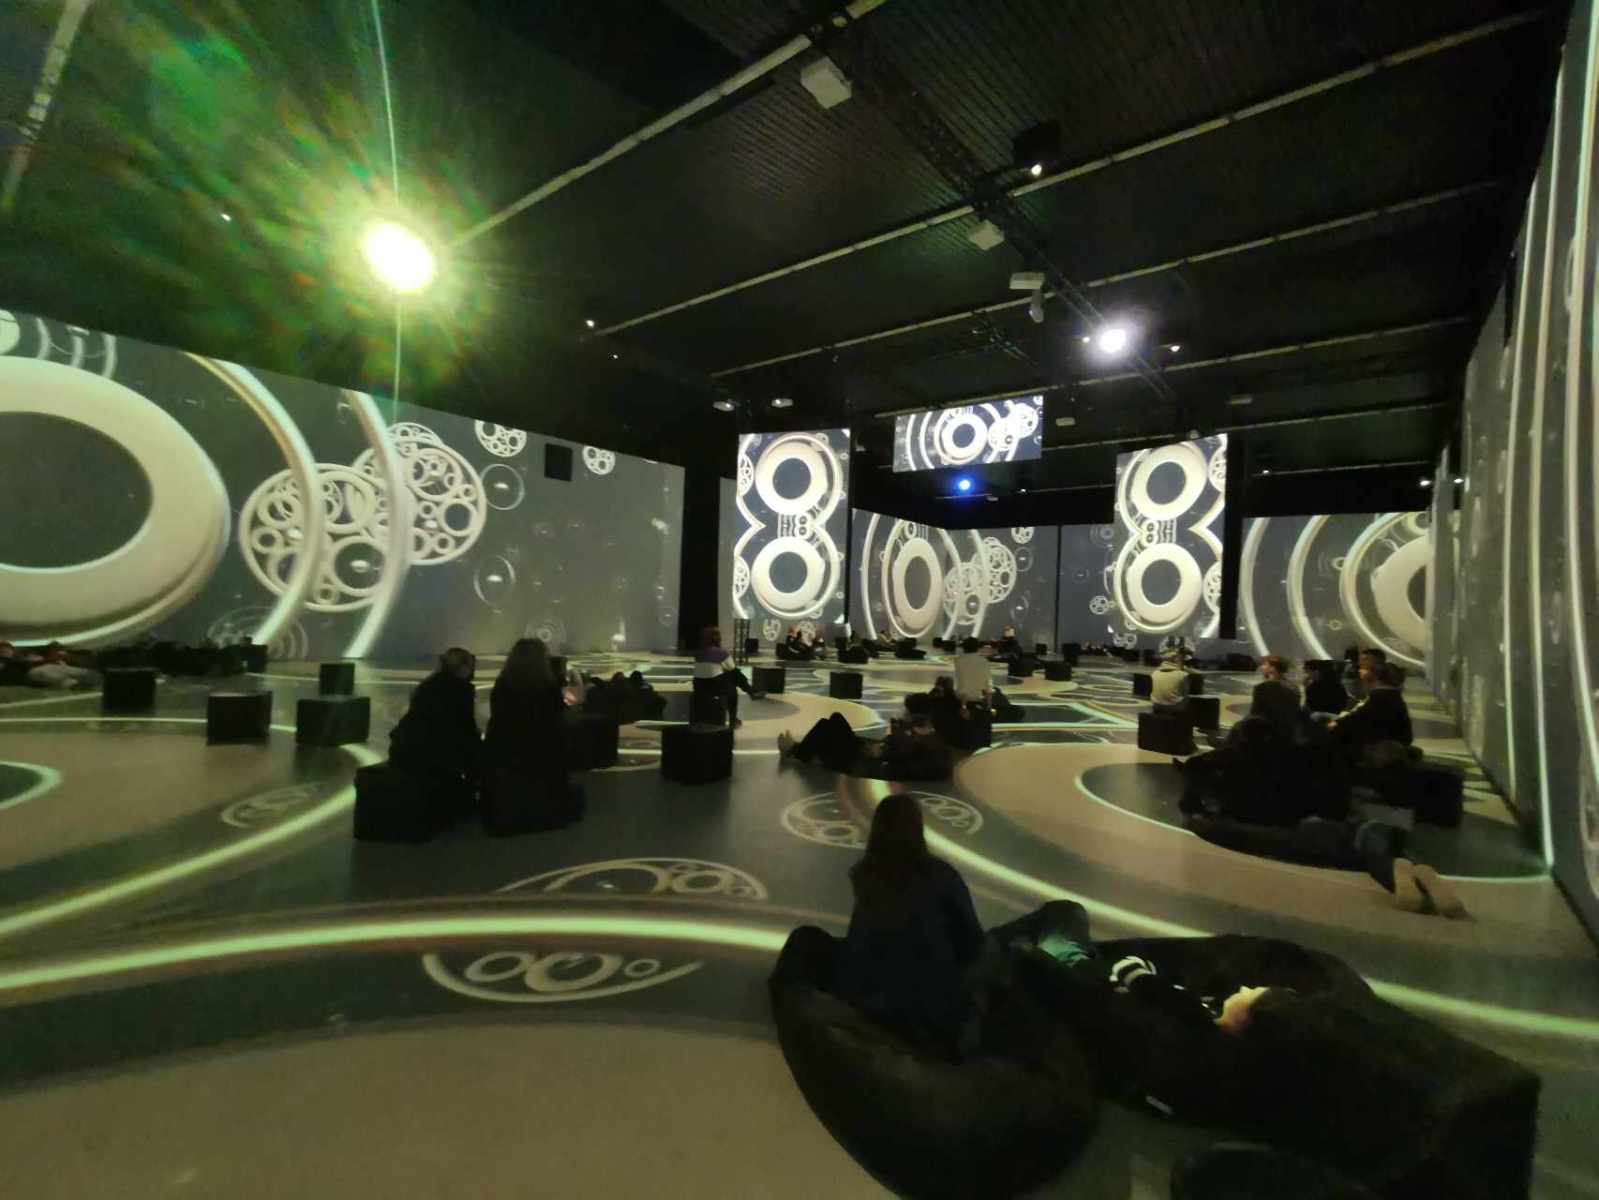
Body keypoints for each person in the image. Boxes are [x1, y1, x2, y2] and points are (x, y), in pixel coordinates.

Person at [833, 794, 988, 1056]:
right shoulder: (940, 876)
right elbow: (972, 943)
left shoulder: (865, 877)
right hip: (932, 1013)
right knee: (991, 955)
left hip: (871, 1003)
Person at [484, 638, 581, 824]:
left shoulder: (502, 685)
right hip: (541, 761)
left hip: (507, 759)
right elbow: (556, 725)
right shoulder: (547, 688)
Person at [389, 647, 482, 815]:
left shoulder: (428, 685)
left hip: (405, 749)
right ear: (462, 668)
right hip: (431, 755)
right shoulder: (461, 691)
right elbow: (465, 731)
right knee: (474, 750)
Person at [778, 711, 951, 780]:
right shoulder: (928, 742)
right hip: (872, 754)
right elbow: (902, 749)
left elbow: (908, 766)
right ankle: (801, 750)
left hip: (866, 763)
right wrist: (884, 745)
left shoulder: (935, 755)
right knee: (834, 719)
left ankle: (796, 750)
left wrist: (881, 754)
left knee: (829, 728)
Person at [1328, 660, 1412, 762]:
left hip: (1379, 750)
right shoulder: (1393, 696)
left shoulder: (1380, 697)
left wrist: (1334, 724)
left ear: (1374, 679)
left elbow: (1356, 719)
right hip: (1392, 744)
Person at [693, 626, 764, 728]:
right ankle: (734, 718)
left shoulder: (698, 653)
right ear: (717, 638)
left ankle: (750, 691)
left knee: (730, 675)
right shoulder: (721, 653)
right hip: (714, 686)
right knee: (733, 682)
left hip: (699, 685)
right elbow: (732, 668)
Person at [1248, 655, 1302, 735]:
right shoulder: (1294, 687)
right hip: (1289, 732)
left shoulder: (1262, 688)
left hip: (1267, 732)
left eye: (1265, 664)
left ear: (1272, 669)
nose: (1261, 667)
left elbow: (1255, 714)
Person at [953, 637, 992, 705]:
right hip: (978, 698)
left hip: (961, 698)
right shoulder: (984, 661)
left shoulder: (958, 661)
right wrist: (989, 703)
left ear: (964, 648)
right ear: (978, 648)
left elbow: (961, 680)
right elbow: (987, 684)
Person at [1150, 648, 1191, 713]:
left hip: (1156, 705)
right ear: (1176, 660)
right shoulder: (1183, 675)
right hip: (1175, 706)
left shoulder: (1154, 673)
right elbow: (1185, 693)